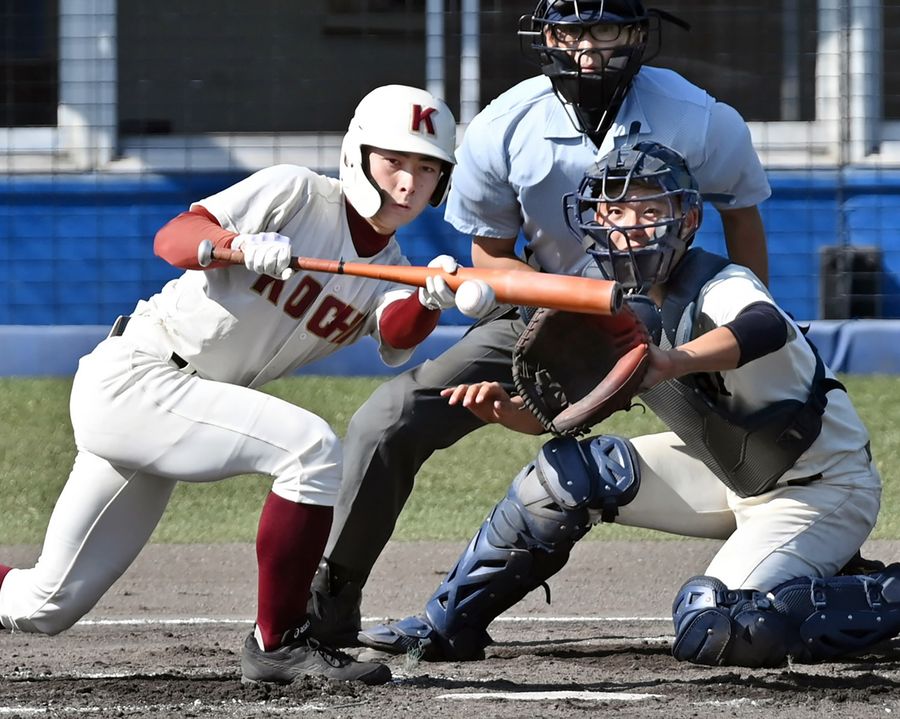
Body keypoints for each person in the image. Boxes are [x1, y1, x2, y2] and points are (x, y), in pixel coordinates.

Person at [307, 0, 774, 646]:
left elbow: (743, 214)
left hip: (668, 320)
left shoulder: (697, 116)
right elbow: (490, 259)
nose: (589, 48)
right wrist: (578, 301)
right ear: (548, 34)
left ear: (636, 33)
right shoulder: (503, 126)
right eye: (574, 30)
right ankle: (327, 607)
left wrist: (746, 331)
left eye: (605, 28)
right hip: (540, 318)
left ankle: (816, 566)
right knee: (387, 420)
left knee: (763, 442)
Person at [0, 84, 479, 686]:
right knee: (309, 450)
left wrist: (429, 297)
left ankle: (277, 643)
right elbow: (172, 236)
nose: (410, 183)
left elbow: (396, 337)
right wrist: (236, 245)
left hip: (179, 407)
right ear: (358, 155)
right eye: (395, 162)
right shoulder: (296, 193)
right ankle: (278, 644)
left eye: (428, 168)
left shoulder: (391, 265)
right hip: (138, 375)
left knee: (42, 605)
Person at [355, 140, 899, 668]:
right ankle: (448, 625)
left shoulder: (723, 284)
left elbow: (764, 327)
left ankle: (885, 596)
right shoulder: (620, 303)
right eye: (613, 210)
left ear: (685, 220)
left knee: (717, 626)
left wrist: (675, 361)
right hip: (730, 472)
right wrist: (508, 411)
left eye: (647, 208)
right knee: (560, 477)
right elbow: (574, 413)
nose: (628, 224)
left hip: (818, 488)